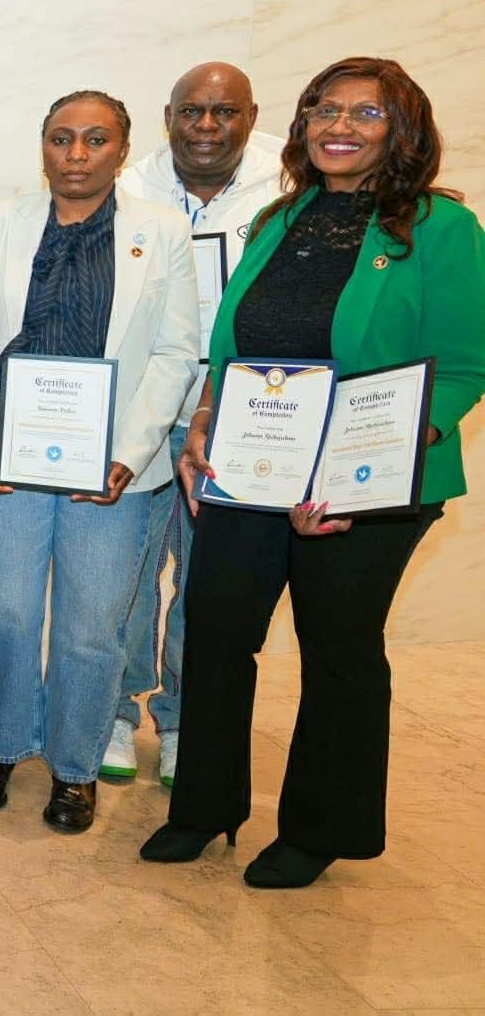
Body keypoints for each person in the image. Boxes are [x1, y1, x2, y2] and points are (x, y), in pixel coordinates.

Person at [142, 57, 485, 888]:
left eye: (364, 114)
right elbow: (239, 345)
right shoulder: (278, 216)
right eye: (323, 110)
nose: (338, 126)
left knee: (339, 650)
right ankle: (204, 806)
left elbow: (466, 365)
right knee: (217, 631)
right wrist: (204, 420)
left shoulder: (439, 227)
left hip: (370, 484)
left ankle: (320, 829)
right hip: (255, 469)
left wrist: (364, 467)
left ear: (402, 130)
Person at [0, 91, 198, 834]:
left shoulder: (162, 230)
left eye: (96, 139)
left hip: (113, 474)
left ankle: (75, 765)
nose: (77, 154)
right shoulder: (2, 222)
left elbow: (176, 350)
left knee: (93, 627)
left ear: (123, 150)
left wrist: (130, 452)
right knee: (2, 609)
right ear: (44, 146)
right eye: (62, 139)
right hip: (12, 458)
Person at [103, 62, 284, 788]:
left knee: (210, 583)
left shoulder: (288, 184)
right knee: (126, 580)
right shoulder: (127, 186)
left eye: (224, 112)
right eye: (191, 111)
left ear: (251, 114)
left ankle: (182, 719)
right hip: (143, 414)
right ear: (167, 115)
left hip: (246, 418)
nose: (206, 126)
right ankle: (117, 710)